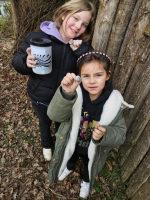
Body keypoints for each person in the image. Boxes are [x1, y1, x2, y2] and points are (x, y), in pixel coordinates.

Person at [12, 0, 96, 161]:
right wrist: (26, 62)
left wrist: (82, 51)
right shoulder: (36, 38)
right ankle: (46, 144)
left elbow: (91, 69)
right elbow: (17, 61)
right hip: (40, 96)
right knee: (44, 122)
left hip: (64, 100)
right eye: (76, 18)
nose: (79, 26)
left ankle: (61, 147)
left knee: (61, 125)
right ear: (64, 15)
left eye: (84, 24)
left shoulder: (83, 47)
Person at [46, 51, 134, 198]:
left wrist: (105, 133)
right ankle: (68, 167)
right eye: (86, 76)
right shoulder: (74, 94)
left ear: (108, 75)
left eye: (98, 75)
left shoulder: (114, 103)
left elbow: (120, 135)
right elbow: (54, 115)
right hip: (73, 144)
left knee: (89, 166)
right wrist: (66, 94)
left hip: (93, 150)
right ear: (79, 76)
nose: (92, 81)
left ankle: (86, 181)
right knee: (72, 157)